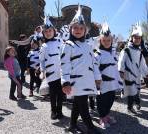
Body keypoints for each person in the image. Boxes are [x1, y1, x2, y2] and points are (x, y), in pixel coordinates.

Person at [61, 5, 101, 134]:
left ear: (85, 30)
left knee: (78, 104)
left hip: (87, 80)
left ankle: (72, 125)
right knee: (83, 104)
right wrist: (65, 81)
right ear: (71, 29)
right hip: (75, 81)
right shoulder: (68, 45)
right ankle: (90, 127)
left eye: (81, 28)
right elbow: (64, 64)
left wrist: (97, 77)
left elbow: (93, 63)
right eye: (75, 28)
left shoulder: (88, 46)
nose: (78, 30)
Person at [94, 22, 123, 129]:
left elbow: (116, 66)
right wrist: (97, 79)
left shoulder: (113, 52)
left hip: (112, 83)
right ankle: (102, 117)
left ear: (111, 40)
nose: (106, 42)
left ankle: (106, 114)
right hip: (102, 83)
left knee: (110, 99)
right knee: (102, 100)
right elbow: (95, 67)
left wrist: (119, 78)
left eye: (108, 40)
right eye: (104, 40)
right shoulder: (98, 53)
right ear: (100, 41)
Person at [118, 22, 148, 114]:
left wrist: (146, 73)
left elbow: (142, 63)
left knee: (136, 91)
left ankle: (137, 102)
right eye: (135, 37)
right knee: (131, 91)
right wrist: (121, 70)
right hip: (128, 74)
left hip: (137, 75)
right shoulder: (126, 50)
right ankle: (129, 107)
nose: (137, 39)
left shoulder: (139, 51)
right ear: (132, 38)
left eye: (139, 38)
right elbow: (121, 60)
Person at [39, 16, 64, 120]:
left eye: (50, 31)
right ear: (43, 33)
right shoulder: (43, 46)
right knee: (53, 94)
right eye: (46, 31)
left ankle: (60, 110)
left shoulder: (60, 42)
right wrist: (42, 71)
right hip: (51, 74)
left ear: (54, 31)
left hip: (61, 73)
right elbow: (41, 60)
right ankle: (53, 110)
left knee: (61, 93)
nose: (48, 33)